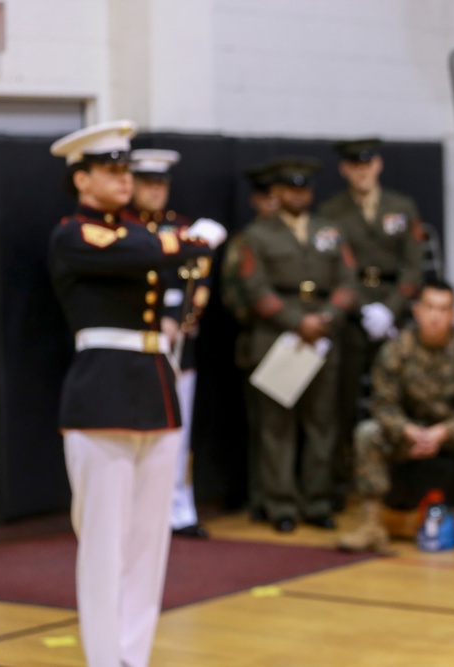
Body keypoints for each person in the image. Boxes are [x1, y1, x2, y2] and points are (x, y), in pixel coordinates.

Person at [48, 121, 226, 667]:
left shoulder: (136, 233)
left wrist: (184, 245)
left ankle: (133, 654)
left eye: (126, 168)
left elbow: (167, 254)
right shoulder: (76, 234)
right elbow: (156, 249)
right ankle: (104, 658)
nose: (123, 179)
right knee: (104, 543)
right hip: (103, 394)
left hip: (155, 388)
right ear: (82, 179)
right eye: (110, 169)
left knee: (149, 543)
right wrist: (190, 240)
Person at [337, 280, 454, 558]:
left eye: (443, 309)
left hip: (452, 434)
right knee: (367, 432)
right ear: (417, 311)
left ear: (453, 315)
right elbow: (382, 405)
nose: (435, 316)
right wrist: (408, 430)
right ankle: (371, 524)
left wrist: (444, 432)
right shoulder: (397, 349)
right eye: (429, 307)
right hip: (408, 434)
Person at [239, 157, 358, 533]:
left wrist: (326, 318)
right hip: (278, 337)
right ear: (276, 193)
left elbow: (348, 281)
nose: (298, 195)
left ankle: (317, 500)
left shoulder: (329, 230)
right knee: (277, 427)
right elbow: (254, 288)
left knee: (323, 423)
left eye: (304, 188)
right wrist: (296, 321)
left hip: (323, 336)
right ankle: (280, 503)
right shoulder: (256, 235)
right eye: (290, 189)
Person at [317, 138, 425, 509]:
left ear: (377, 165)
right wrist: (361, 308)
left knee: (400, 395)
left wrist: (391, 310)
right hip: (352, 312)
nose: (361, 171)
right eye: (353, 166)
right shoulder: (331, 211)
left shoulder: (401, 207)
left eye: (367, 164)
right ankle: (340, 480)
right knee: (342, 399)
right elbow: (333, 265)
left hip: (394, 312)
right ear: (344, 170)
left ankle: (399, 483)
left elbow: (414, 265)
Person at [122, 148, 212, 539]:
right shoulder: (121, 230)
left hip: (177, 348)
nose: (155, 191)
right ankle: (134, 509)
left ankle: (179, 508)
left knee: (180, 430)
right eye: (147, 183)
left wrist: (180, 322)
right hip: (132, 345)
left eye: (161, 183)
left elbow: (199, 285)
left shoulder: (183, 229)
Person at [218, 163, 279, 523]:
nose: (274, 202)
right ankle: (262, 497)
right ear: (256, 200)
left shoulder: (301, 235)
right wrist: (264, 322)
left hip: (303, 340)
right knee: (264, 426)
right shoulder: (244, 241)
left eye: (279, 195)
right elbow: (233, 295)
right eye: (267, 196)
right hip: (262, 338)